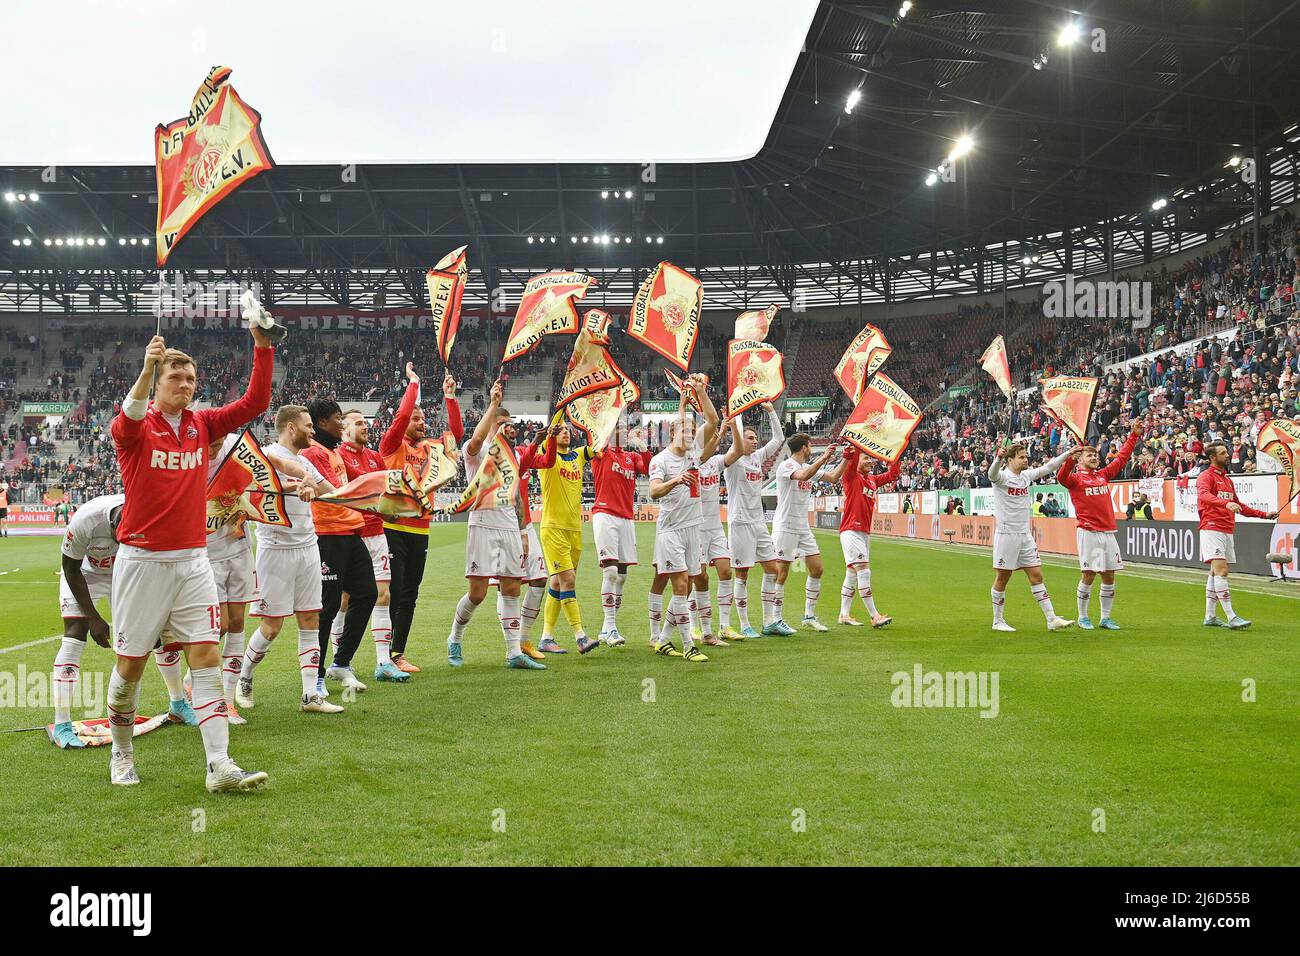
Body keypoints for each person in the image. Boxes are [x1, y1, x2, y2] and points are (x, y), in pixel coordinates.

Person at [107, 322, 273, 791]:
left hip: (194, 560)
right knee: (131, 664)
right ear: (157, 383)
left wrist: (262, 348)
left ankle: (219, 765)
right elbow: (130, 415)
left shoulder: (201, 425)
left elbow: (254, 404)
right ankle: (121, 753)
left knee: (205, 654)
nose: (185, 385)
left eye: (191, 379)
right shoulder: (136, 431)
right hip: (142, 561)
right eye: (175, 378)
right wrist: (145, 368)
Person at [50, 494, 198, 749]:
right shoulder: (86, 519)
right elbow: (70, 568)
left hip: (125, 573)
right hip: (84, 574)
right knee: (75, 632)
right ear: (115, 524)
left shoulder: (149, 517)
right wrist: (93, 618)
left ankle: (179, 704)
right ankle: (62, 723)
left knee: (159, 634)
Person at [239, 405, 341, 714]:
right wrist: (298, 484)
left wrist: (373, 497)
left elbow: (333, 493)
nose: (313, 431)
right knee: (272, 627)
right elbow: (259, 485)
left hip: (308, 547)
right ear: (291, 428)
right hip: (275, 550)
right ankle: (244, 678)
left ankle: (310, 696)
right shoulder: (265, 454)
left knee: (310, 619)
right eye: (308, 425)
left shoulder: (307, 461)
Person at [447, 381, 543, 670]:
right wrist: (492, 404)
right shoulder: (477, 451)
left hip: (509, 528)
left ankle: (514, 653)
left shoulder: (512, 457)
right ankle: (455, 637)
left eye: (511, 425)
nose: (509, 428)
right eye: (503, 423)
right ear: (491, 424)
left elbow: (515, 496)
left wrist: (523, 530)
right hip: (483, 525)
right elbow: (475, 441)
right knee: (478, 593)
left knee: (512, 587)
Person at [381, 363, 462, 673]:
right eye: (417, 419)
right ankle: (380, 651)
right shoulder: (392, 445)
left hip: (421, 529)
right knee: (395, 590)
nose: (421, 423)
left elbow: (455, 436)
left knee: (410, 594)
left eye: (424, 419)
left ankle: (397, 652)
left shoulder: (432, 449)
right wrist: (413, 384)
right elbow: (401, 418)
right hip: (393, 526)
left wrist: (450, 398)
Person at [303, 398, 378, 696]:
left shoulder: (331, 452)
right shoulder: (312, 453)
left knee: (367, 593)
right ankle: (316, 675)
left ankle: (341, 661)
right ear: (322, 423)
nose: (342, 423)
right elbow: (338, 492)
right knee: (327, 607)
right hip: (328, 535)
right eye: (338, 418)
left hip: (349, 531)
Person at [335, 408, 411, 683]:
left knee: (383, 595)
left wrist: (395, 508)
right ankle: (340, 659)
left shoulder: (374, 457)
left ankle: (383, 662)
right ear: (344, 430)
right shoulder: (338, 457)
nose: (365, 426)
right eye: (358, 423)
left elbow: (387, 493)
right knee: (344, 600)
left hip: (377, 533)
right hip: (351, 532)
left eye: (365, 422)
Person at [647, 389, 714, 662]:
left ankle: (663, 640)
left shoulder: (693, 455)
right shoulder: (660, 460)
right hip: (671, 531)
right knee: (682, 586)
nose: (691, 435)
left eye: (692, 431)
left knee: (686, 587)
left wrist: (696, 393)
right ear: (673, 432)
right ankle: (689, 646)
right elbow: (652, 493)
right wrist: (675, 481)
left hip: (692, 530)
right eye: (685, 431)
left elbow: (713, 419)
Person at [1057, 419, 1142, 630]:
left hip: (1108, 532)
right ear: (1080, 459)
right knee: (1089, 574)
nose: (1095, 457)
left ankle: (1105, 618)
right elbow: (1061, 477)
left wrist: (1134, 436)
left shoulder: (1103, 476)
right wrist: (1069, 459)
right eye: (1090, 455)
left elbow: (1121, 459)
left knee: (1109, 574)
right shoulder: (1076, 479)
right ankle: (1083, 616)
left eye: (1096, 454)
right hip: (1089, 532)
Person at [987, 442, 1080, 633]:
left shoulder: (1026, 476)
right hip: (1007, 535)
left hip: (1025, 534)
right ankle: (997, 621)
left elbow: (1048, 467)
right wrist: (998, 458)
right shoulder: (1002, 477)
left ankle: (1051, 618)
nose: (1025, 460)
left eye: (1026, 456)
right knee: (1003, 577)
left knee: (1036, 575)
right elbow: (991, 474)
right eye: (1021, 457)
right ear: (1010, 460)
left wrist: (1068, 453)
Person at [204, 434, 259, 723]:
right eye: (209, 443)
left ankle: (226, 701)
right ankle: (195, 680)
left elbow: (265, 466)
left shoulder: (237, 446)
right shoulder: (188, 453)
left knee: (237, 622)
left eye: (218, 442)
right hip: (207, 552)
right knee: (219, 625)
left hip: (238, 548)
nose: (213, 449)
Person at [1197, 441, 1277, 628]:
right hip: (1212, 526)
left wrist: (1264, 515)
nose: (1227, 455)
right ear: (1212, 457)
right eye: (1223, 453)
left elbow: (1240, 506)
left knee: (1214, 572)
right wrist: (1225, 504)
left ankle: (1209, 616)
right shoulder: (1205, 476)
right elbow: (1203, 496)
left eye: (1227, 452)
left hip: (1226, 528)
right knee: (1222, 571)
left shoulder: (1227, 479)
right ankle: (1231, 616)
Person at [723, 402, 786, 637]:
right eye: (750, 438)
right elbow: (736, 445)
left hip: (758, 522)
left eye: (755, 438)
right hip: (740, 522)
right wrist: (734, 422)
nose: (754, 441)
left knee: (773, 569)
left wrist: (771, 411)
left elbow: (778, 439)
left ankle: (769, 621)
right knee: (742, 574)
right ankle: (744, 624)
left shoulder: (758, 457)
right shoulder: (733, 459)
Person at [536, 422, 599, 655]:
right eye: (560, 429)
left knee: (558, 583)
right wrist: (555, 425)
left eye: (567, 430)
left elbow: (597, 443)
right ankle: (580, 636)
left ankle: (546, 638)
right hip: (553, 528)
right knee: (569, 580)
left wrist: (593, 418)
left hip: (574, 529)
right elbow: (550, 436)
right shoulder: (547, 452)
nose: (565, 432)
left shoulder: (578, 455)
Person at [590, 418, 653, 647]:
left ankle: (607, 628)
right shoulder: (601, 453)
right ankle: (611, 626)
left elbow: (648, 469)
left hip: (626, 518)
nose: (624, 432)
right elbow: (593, 433)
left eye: (625, 429)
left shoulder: (631, 457)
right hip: (605, 514)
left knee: (623, 575)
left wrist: (643, 447)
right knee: (610, 572)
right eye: (619, 428)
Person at [826, 442, 899, 627]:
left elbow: (893, 475)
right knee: (864, 571)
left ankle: (843, 614)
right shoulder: (851, 476)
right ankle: (875, 615)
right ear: (857, 461)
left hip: (864, 532)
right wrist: (857, 442)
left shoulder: (872, 480)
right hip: (851, 530)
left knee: (852, 573)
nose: (870, 461)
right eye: (866, 458)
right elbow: (852, 459)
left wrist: (896, 453)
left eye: (871, 458)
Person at [772, 433, 837, 631]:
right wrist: (824, 458)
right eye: (810, 446)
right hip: (785, 525)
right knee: (782, 572)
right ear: (804, 448)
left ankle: (809, 615)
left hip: (803, 526)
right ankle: (775, 618)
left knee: (817, 568)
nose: (811, 450)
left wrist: (849, 459)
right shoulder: (787, 466)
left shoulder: (806, 467)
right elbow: (803, 476)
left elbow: (833, 477)